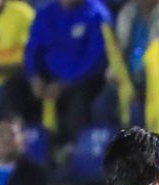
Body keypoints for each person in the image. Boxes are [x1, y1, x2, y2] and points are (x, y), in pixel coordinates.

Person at [19, 0, 111, 142]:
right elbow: (32, 49)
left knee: (80, 97)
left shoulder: (97, 14)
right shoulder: (45, 12)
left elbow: (95, 59)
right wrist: (34, 78)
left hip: (81, 79)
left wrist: (64, 83)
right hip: (47, 77)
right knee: (14, 87)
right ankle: (16, 142)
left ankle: (71, 146)